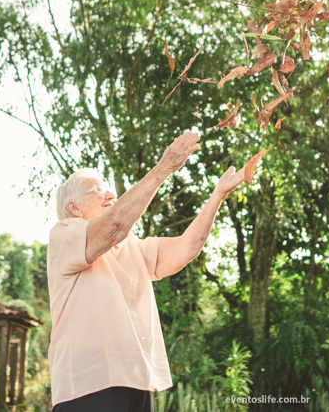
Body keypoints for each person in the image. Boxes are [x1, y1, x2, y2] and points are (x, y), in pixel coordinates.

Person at [47, 131, 246, 412]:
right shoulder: (64, 237)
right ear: (73, 207)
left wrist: (218, 196)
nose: (111, 195)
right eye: (98, 190)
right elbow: (115, 225)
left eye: (109, 189)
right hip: (88, 384)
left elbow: (187, 248)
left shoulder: (131, 247)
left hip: (137, 380)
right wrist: (165, 166)